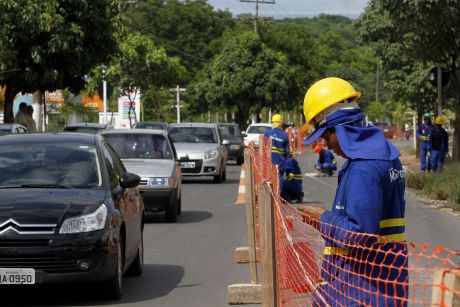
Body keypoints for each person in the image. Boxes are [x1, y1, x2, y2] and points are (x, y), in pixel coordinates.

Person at [299, 77, 408, 306]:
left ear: (340, 128)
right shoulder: (385, 156)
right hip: (384, 285)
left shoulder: (363, 169)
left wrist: (322, 219)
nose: (327, 145)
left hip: (362, 291)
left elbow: (360, 236)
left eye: (326, 136)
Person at [264, 113, 290, 186]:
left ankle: (270, 194)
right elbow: (287, 153)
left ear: (273, 122)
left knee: (269, 179)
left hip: (269, 161)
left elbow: (263, 147)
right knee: (280, 179)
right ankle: (278, 195)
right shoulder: (284, 136)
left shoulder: (267, 134)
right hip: (280, 162)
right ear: (281, 123)